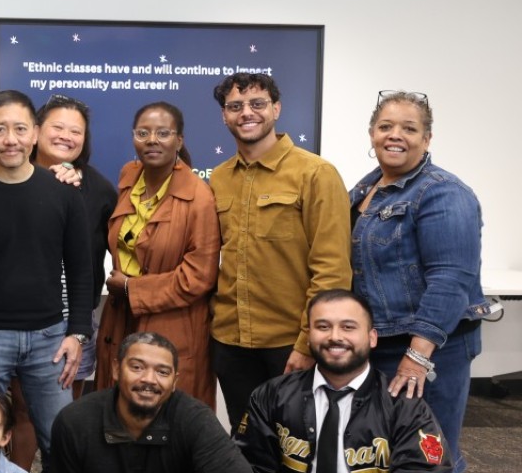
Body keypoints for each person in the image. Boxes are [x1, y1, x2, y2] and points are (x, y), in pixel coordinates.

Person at [0, 90, 93, 473]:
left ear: (35, 133)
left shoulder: (64, 194)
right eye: (0, 130)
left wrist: (76, 333)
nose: (10, 139)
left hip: (50, 341)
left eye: (20, 129)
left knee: (63, 446)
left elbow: (81, 270)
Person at [348, 90, 485, 473]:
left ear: (427, 139)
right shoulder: (368, 187)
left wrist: (418, 357)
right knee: (382, 460)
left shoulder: (444, 192)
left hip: (428, 351)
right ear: (372, 133)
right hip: (382, 346)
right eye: (386, 126)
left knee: (427, 461)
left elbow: (451, 280)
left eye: (409, 128)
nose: (396, 135)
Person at [210, 72, 351, 428]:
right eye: (235, 106)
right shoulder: (219, 177)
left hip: (289, 343)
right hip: (230, 342)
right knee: (247, 445)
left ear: (276, 109)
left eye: (257, 104)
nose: (247, 113)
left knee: (299, 448)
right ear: (224, 116)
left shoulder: (316, 173)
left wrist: (308, 343)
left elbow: (333, 271)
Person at [236, 290, 449, 473]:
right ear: (308, 336)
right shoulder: (272, 396)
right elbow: (247, 472)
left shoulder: (403, 406)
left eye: (348, 327)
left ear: (372, 337)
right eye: (323, 327)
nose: (335, 336)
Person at [97, 103, 219, 406]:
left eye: (163, 133)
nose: (152, 140)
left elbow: (199, 277)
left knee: (165, 420)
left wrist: (131, 287)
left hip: (173, 322)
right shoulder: (129, 177)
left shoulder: (199, 197)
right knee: (116, 414)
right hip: (119, 318)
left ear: (179, 140)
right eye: (143, 132)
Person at [50, 332, 258, 473]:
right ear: (116, 369)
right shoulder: (75, 422)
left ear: (175, 381)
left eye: (162, 372)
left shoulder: (194, 418)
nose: (149, 380)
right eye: (137, 367)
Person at [31, 95, 117, 389]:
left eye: (75, 131)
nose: (66, 137)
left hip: (74, 322)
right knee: (17, 415)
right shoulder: (9, 177)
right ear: (36, 130)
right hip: (15, 319)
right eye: (57, 127)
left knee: (70, 412)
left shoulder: (100, 190)